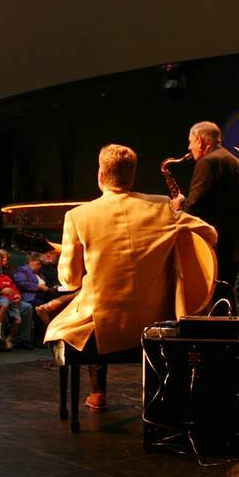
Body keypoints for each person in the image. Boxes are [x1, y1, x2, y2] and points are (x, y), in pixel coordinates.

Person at [45, 144, 216, 411]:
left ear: (101, 175)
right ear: (132, 176)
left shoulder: (78, 216)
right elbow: (210, 234)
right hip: (154, 323)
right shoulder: (161, 207)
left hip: (105, 327)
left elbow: (69, 280)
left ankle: (98, 394)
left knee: (81, 315)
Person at [171, 121, 239, 300]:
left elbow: (194, 207)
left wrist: (179, 204)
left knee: (215, 299)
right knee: (227, 296)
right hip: (234, 245)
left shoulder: (207, 163)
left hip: (217, 245)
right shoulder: (233, 161)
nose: (189, 147)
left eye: (191, 141)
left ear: (200, 140)